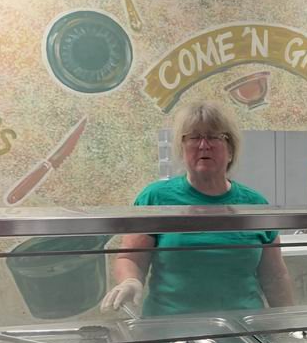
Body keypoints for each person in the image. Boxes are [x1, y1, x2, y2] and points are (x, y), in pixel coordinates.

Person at [101, 100, 294, 316]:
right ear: (182, 149)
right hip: (171, 329)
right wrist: (130, 280)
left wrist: (288, 323)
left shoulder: (255, 204)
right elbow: (131, 258)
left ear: (230, 150)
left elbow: (275, 277)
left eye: (214, 137)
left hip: (243, 327)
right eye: (194, 137)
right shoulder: (155, 198)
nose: (203, 145)